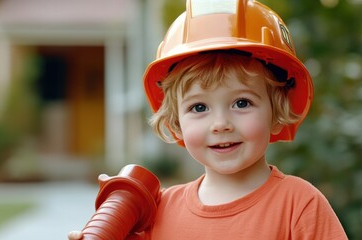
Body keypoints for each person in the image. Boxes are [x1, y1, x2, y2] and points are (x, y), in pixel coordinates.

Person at [69, 0, 347, 239]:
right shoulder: (160, 212)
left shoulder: (300, 205)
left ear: (277, 113)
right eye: (199, 107)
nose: (220, 123)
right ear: (176, 122)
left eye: (242, 103)